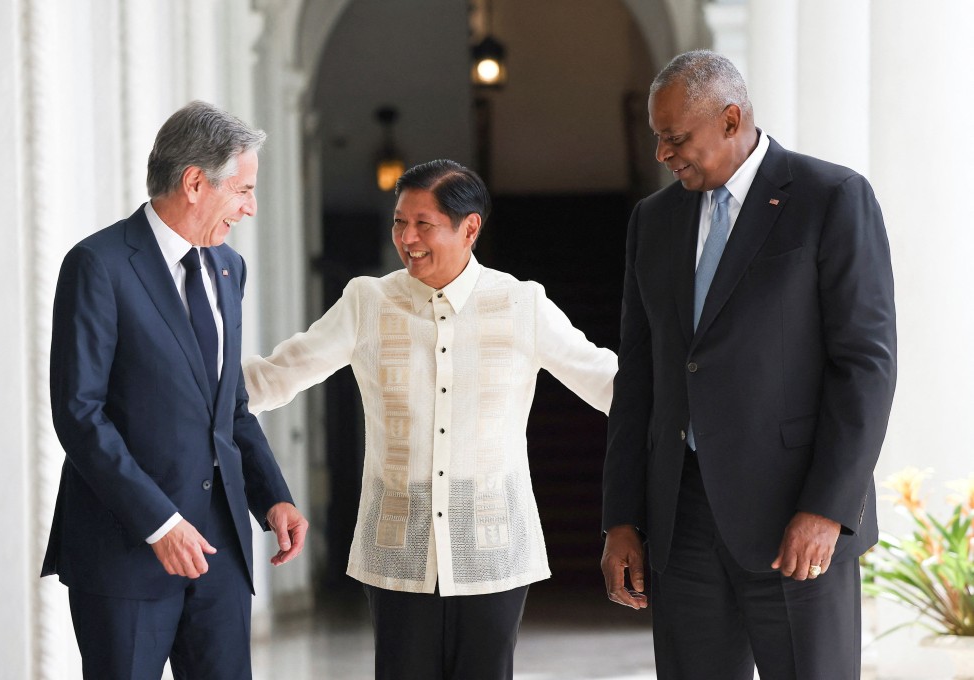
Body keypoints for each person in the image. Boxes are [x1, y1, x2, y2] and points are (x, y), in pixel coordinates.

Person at [243, 159, 617, 680]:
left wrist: (699, 413)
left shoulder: (520, 303)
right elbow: (277, 376)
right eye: (399, 222)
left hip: (491, 546)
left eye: (424, 224)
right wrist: (188, 391)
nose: (407, 237)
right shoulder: (366, 302)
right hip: (398, 548)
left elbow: (606, 382)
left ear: (470, 228)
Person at [600, 50, 897, 679]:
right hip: (680, 526)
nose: (662, 154)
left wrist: (829, 508)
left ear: (731, 118)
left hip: (797, 525)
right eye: (657, 138)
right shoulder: (652, 222)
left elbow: (864, 366)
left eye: (675, 138)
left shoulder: (832, 198)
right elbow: (640, 378)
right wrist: (623, 517)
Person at [41, 100, 309, 679]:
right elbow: (79, 415)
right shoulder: (98, 264)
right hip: (123, 553)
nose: (250, 207)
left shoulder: (229, 270)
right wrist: (160, 523)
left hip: (220, 554)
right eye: (242, 190)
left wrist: (273, 496)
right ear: (194, 183)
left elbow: (228, 406)